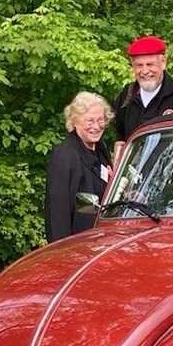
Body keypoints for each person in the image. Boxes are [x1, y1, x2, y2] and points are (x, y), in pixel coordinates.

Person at [112, 35, 173, 154]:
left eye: (150, 64)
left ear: (163, 63)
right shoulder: (126, 96)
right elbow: (120, 137)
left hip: (171, 164)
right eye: (139, 65)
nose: (145, 71)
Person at [45, 92, 114, 242]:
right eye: (90, 121)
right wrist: (62, 250)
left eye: (100, 120)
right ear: (75, 121)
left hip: (102, 240)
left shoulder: (101, 150)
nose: (96, 126)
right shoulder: (65, 155)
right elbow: (57, 213)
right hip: (77, 245)